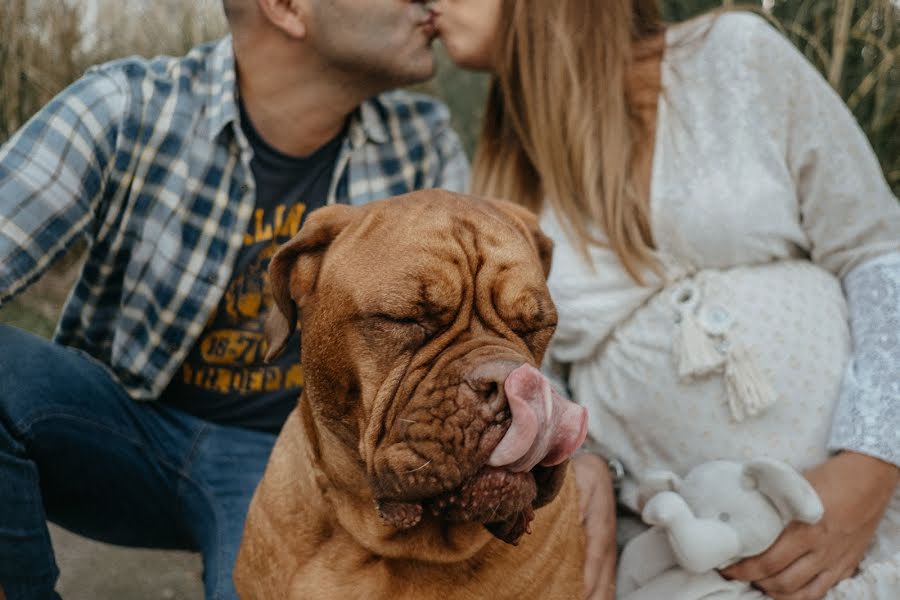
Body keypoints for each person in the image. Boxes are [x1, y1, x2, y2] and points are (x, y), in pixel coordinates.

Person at [0, 1, 469, 598]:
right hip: (122, 432)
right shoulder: (127, 106)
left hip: (290, 461)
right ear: (287, 7)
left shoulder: (422, 143)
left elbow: (486, 330)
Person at [432, 1, 900, 599]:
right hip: (683, 560)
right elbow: (534, 365)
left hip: (871, 512)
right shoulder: (503, 173)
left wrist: (871, 466)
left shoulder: (736, 56)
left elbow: (878, 255)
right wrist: (581, 457)